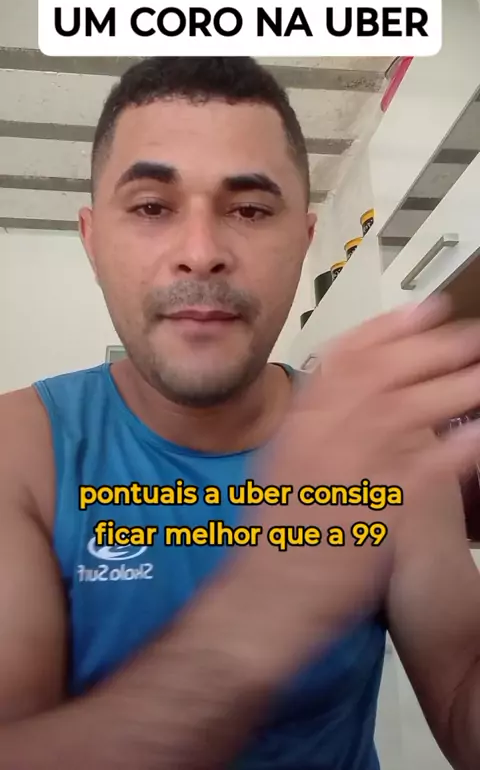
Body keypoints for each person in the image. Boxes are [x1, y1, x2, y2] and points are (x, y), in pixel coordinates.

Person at [2, 57, 480, 770]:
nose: (201, 254)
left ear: (305, 241)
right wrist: (275, 594)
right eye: (152, 207)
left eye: (250, 210)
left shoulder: (383, 446)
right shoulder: (18, 453)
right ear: (92, 239)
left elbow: (463, 700)